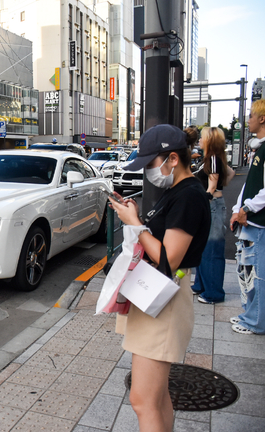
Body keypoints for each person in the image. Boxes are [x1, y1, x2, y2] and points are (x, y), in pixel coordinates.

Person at [110, 124, 210, 432]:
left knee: (143, 401)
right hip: (158, 297)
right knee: (156, 397)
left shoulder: (189, 196)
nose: (148, 171)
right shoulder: (178, 191)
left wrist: (135, 224)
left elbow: (169, 258)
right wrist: (137, 219)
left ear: (173, 159)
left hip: (164, 300)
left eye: (151, 163)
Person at [230, 99, 265, 335]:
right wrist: (237, 208)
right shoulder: (259, 149)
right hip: (250, 221)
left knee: (259, 277)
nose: (248, 119)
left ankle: (255, 322)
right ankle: (249, 315)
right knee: (249, 273)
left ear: (262, 118)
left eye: (251, 115)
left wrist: (247, 209)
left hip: (258, 222)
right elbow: (248, 185)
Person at [191, 127, 229, 304]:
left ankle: (213, 293)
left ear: (210, 140)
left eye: (202, 137)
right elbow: (230, 173)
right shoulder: (213, 158)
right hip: (212, 205)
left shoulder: (212, 158)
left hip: (211, 205)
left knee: (211, 250)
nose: (199, 140)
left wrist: (206, 197)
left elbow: (212, 185)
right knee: (203, 248)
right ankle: (201, 285)